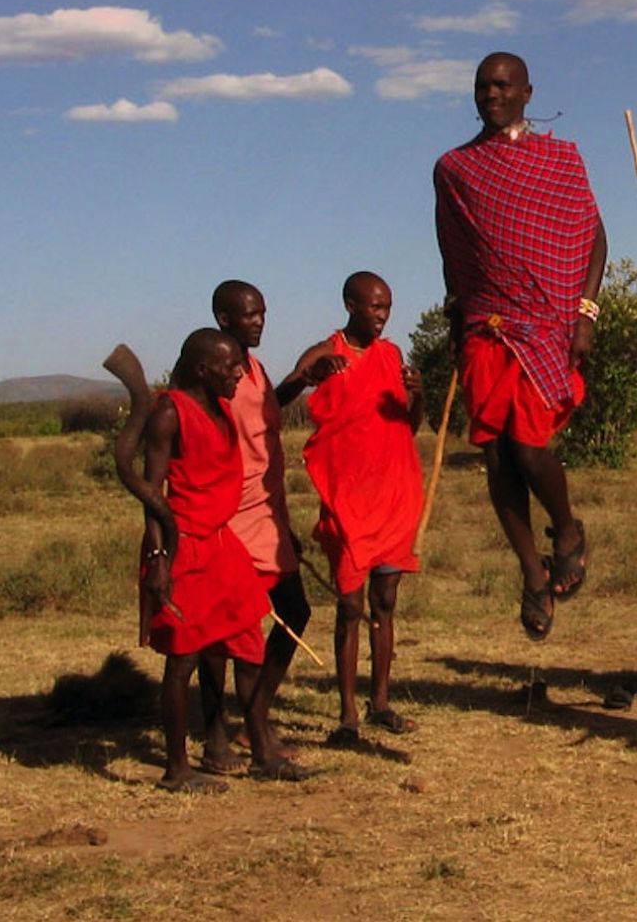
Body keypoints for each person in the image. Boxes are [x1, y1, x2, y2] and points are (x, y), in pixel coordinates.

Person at [434, 52, 605, 641]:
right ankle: (533, 573)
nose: (491, 94)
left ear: (528, 92)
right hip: (486, 328)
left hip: (550, 325)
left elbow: (593, 235)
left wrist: (585, 314)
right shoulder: (455, 168)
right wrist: (458, 313)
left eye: (503, 86)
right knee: (498, 456)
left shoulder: (560, 159)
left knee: (530, 449)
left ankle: (569, 530)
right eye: (482, 86)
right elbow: (452, 248)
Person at [140, 329, 307, 789]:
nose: (240, 372)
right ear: (201, 369)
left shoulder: (222, 405)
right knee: (184, 660)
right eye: (230, 366)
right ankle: (177, 769)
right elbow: (152, 495)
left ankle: (260, 748)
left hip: (222, 544)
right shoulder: (169, 413)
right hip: (184, 547)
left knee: (249, 642)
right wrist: (158, 559)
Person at [285, 272, 425, 746]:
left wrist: (419, 392)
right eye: (374, 307)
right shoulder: (326, 353)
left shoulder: (391, 356)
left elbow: (409, 423)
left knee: (386, 603)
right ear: (350, 304)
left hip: (393, 493)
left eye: (387, 307)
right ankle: (347, 713)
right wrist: (308, 377)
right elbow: (279, 398)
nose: (383, 316)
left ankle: (380, 702)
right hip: (348, 499)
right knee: (350, 604)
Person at [195, 280, 313, 771]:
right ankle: (219, 735)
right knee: (226, 630)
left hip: (267, 510)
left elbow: (263, 421)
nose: (259, 322)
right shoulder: (218, 374)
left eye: (263, 313)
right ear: (224, 318)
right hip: (231, 515)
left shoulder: (254, 368)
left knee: (294, 611)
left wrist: (299, 380)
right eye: (249, 315)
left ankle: (254, 716)